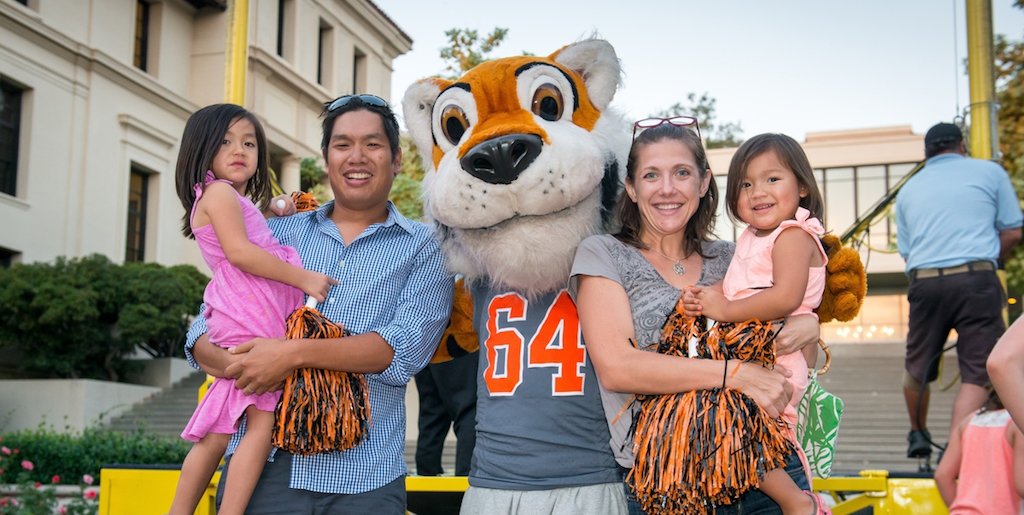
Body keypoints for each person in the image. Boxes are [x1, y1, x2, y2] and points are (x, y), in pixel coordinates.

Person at [183, 94, 455, 515]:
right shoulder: (280, 234)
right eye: (343, 144)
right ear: (327, 159)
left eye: (373, 144)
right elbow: (208, 323)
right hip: (264, 472)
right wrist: (238, 363)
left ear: (397, 159)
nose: (356, 157)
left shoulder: (426, 248)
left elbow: (401, 352)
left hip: (365, 478)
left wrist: (288, 355)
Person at [571, 119, 822, 515]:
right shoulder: (604, 254)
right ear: (632, 188)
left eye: (682, 173)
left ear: (703, 183)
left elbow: (790, 364)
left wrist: (809, 328)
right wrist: (734, 373)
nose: (667, 188)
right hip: (671, 478)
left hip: (768, 466)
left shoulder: (735, 255)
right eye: (651, 175)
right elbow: (618, 368)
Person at [168, 103, 337, 515]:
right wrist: (304, 279)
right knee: (259, 421)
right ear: (202, 149)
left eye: (248, 142)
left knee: (223, 430)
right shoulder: (220, 192)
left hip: (243, 308)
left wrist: (277, 208)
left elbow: (250, 226)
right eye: (225, 142)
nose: (239, 149)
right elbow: (242, 252)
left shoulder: (225, 196)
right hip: (248, 311)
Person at [680, 132, 828, 513]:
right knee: (738, 429)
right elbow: (738, 286)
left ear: (804, 188)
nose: (757, 191)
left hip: (778, 361)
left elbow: (785, 297)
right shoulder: (751, 238)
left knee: (734, 424)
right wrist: (705, 294)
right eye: (746, 184)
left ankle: (796, 500)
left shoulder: (793, 235)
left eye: (772, 179)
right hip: (754, 355)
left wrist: (724, 310)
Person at [895, 122, 1023, 459]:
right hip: (976, 280)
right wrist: (983, 259)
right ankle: (955, 451)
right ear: (962, 145)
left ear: (927, 154)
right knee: (978, 369)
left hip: (925, 281)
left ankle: (918, 434)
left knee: (917, 366)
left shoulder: (909, 188)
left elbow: (907, 251)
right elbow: (1012, 232)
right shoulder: (989, 173)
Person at [934, 386, 1024, 514]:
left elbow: (942, 476)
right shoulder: (1018, 424)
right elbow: (1022, 484)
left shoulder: (969, 420)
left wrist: (960, 507)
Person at [413, 351, 478, 476]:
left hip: (426, 343)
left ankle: (426, 484)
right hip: (457, 340)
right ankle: (465, 482)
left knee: (432, 415)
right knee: (468, 411)